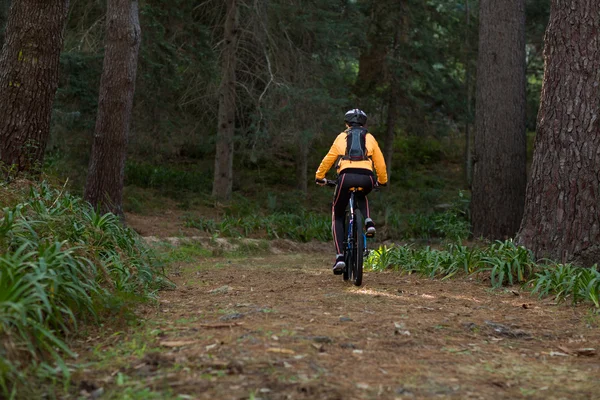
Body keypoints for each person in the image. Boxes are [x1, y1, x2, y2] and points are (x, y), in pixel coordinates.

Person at [315, 109, 388, 274]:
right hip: (367, 178)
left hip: (346, 177)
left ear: (346, 123)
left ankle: (340, 256)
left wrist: (320, 177)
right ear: (364, 124)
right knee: (362, 194)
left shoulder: (341, 137)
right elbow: (381, 163)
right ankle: (368, 221)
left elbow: (328, 159)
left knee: (338, 214)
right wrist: (382, 181)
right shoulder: (370, 138)